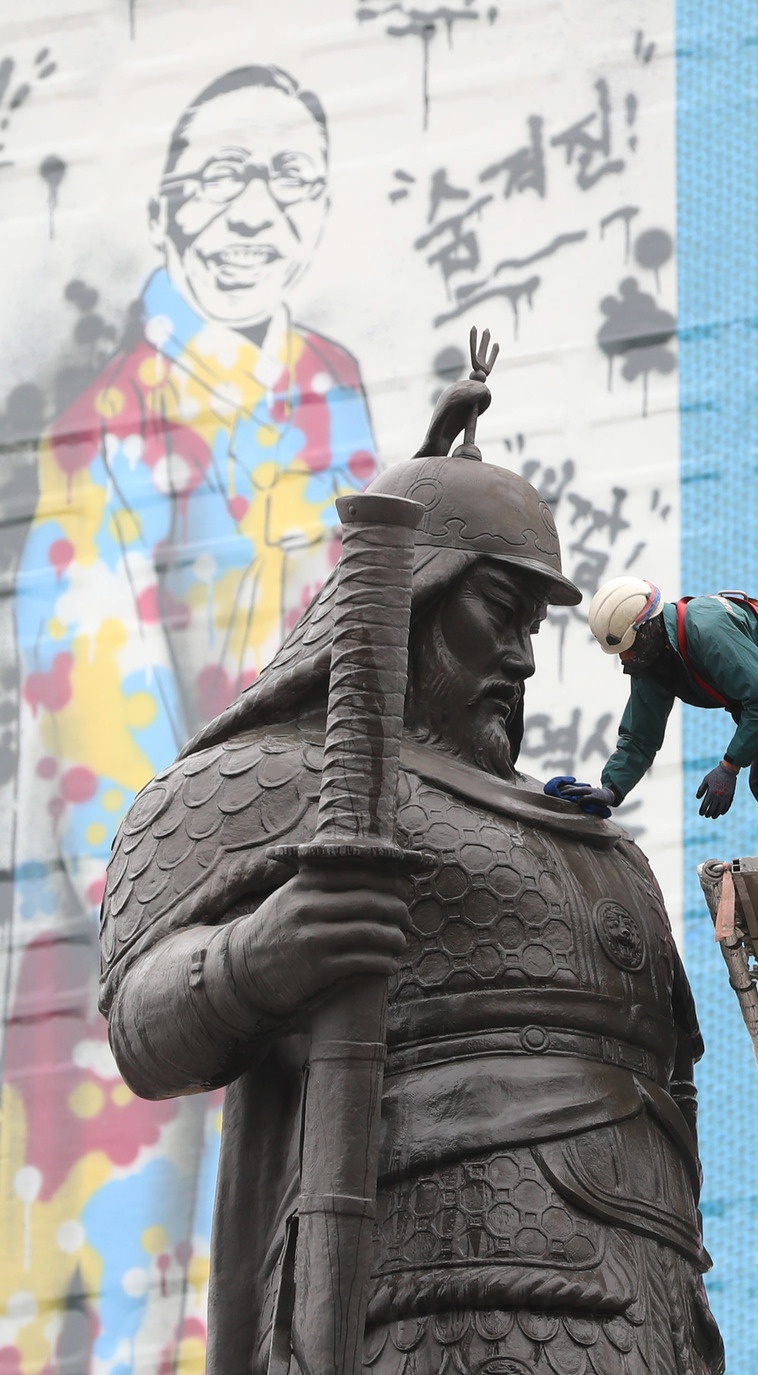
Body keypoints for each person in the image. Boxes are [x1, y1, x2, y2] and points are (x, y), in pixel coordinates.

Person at [100, 377, 725, 1375]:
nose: (523, 659)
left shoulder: (586, 840)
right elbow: (145, 1024)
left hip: (645, 1310)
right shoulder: (279, 776)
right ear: (415, 594)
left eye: (533, 626)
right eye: (499, 611)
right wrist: (262, 955)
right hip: (431, 1292)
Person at [4, 65, 378, 1372]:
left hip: (294, 939)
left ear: (320, 208)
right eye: (221, 177)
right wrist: (205, 928)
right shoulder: (103, 436)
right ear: (166, 212)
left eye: (285, 177)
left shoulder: (333, 391)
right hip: (137, 943)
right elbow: (83, 697)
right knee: (114, 1318)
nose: (253, 209)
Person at [550, 578, 758, 853]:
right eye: (621, 653)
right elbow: (640, 738)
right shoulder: (652, 660)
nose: (626, 659)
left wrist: (729, 766)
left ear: (649, 626)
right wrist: (610, 789)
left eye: (629, 649)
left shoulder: (706, 629)